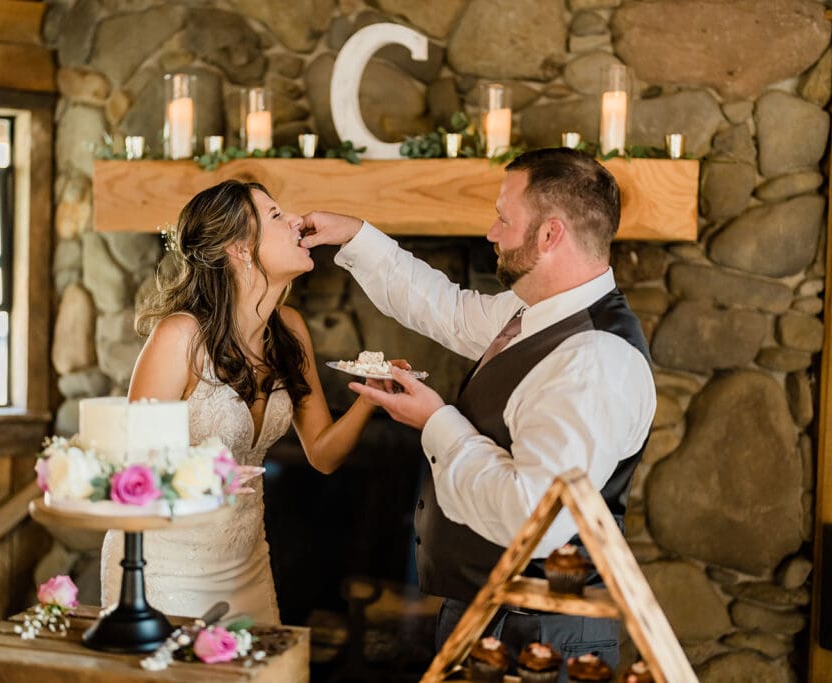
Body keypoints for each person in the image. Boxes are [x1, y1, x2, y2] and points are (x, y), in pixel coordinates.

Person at [299, 147, 656, 672]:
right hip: (494, 614)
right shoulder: (532, 314)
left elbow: (532, 517)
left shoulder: (594, 360)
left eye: (503, 218)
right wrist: (355, 235)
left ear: (550, 234)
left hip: (541, 632)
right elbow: (444, 310)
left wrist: (435, 422)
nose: (491, 232)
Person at [100, 179, 380, 624]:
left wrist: (371, 398)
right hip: (164, 566)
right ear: (240, 249)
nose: (295, 220)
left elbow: (324, 455)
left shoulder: (289, 329)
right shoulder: (180, 337)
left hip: (248, 561)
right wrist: (208, 479)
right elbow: (129, 476)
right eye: (274, 216)